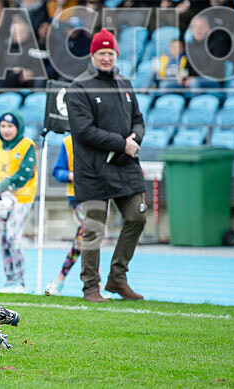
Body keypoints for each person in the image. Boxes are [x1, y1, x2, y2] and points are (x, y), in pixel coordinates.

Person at [66, 29, 147, 303]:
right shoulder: (79, 87)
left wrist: (135, 138)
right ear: (93, 55)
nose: (106, 58)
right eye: (101, 53)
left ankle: (117, 278)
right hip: (94, 170)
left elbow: (138, 118)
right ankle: (91, 287)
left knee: (137, 217)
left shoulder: (124, 83)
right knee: (94, 229)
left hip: (125, 166)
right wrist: (121, 143)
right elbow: (83, 130)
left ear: (116, 55)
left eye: (110, 53)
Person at [0, 110, 37, 293]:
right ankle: (9, 280)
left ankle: (20, 281)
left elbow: (25, 173)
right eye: (3, 126)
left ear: (18, 127)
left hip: (21, 198)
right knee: (4, 239)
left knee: (14, 237)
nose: (6, 130)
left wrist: (2, 185)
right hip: (1, 199)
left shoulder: (27, 145)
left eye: (10, 126)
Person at [45, 133, 84, 296]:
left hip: (100, 195)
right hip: (78, 196)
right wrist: (71, 175)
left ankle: (60, 280)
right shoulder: (68, 142)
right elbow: (58, 171)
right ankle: (95, 283)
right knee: (87, 237)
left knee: (85, 240)